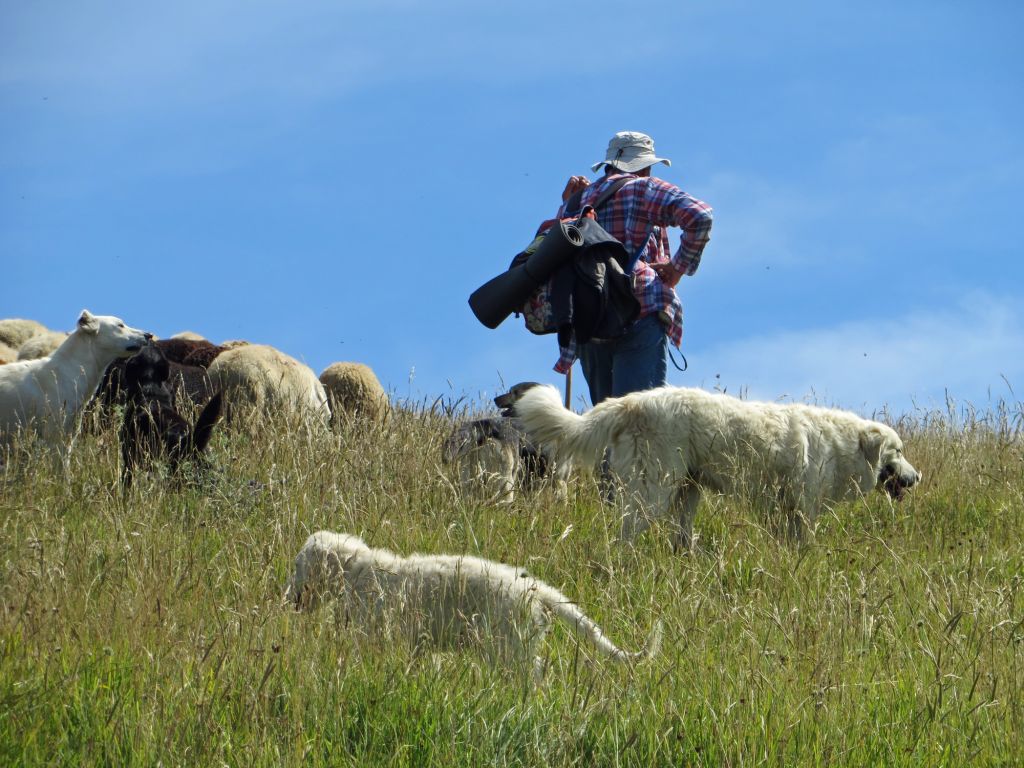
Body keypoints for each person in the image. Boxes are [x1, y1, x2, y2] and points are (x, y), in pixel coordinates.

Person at [553, 130, 713, 405]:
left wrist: (566, 205)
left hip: (588, 318)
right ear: (645, 165)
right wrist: (677, 268)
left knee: (607, 423)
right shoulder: (642, 188)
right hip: (639, 306)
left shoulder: (576, 202)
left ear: (607, 164)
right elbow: (700, 215)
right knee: (640, 421)